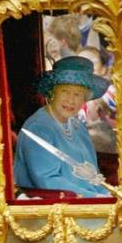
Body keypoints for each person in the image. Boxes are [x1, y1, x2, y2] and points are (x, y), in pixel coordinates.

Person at [14, 55, 110, 197]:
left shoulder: (79, 127)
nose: (70, 100)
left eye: (77, 94)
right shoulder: (38, 127)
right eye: (65, 91)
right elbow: (47, 181)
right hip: (54, 209)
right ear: (53, 92)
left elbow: (93, 177)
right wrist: (95, 198)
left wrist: (107, 194)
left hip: (87, 204)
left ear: (85, 99)